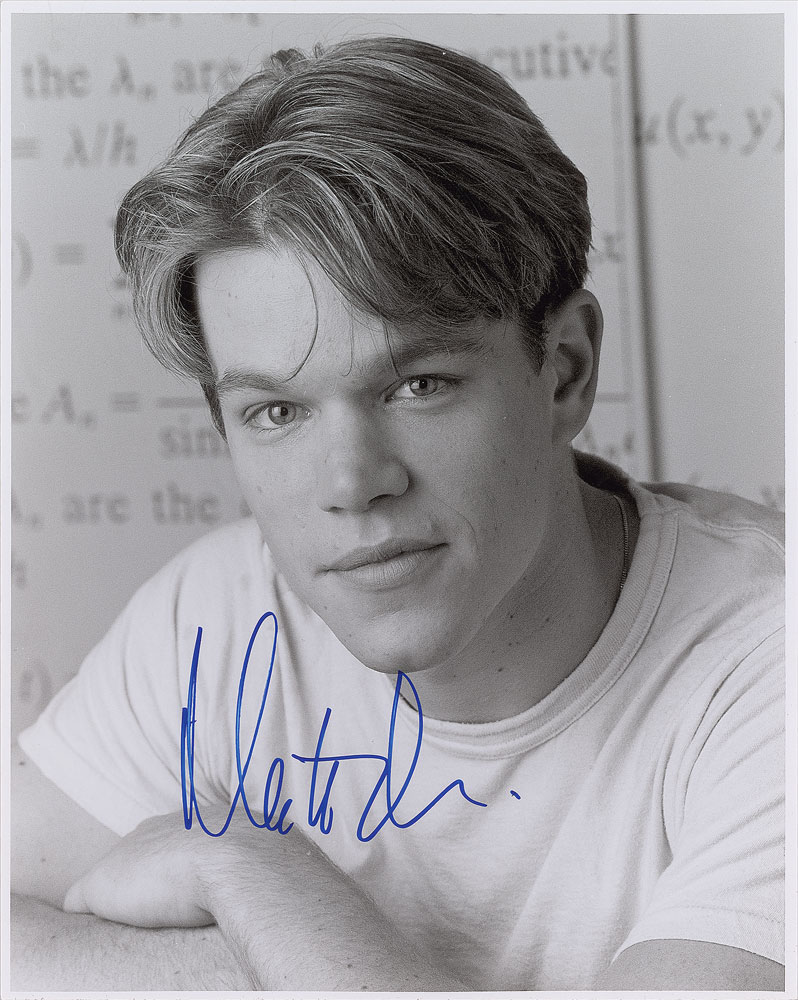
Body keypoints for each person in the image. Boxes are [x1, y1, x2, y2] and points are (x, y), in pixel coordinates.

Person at [10, 36, 784, 993]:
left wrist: (249, 873)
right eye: (277, 412)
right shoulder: (214, 616)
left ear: (566, 372)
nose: (352, 483)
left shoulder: (766, 663)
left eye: (418, 384)